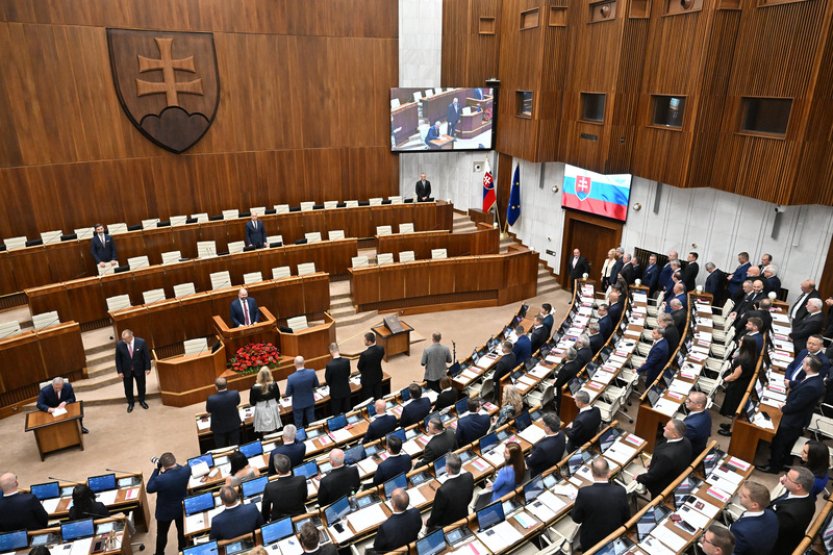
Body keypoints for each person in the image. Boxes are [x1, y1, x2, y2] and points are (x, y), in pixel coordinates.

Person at [758, 355, 825, 473]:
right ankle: (784, 461)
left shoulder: (812, 387)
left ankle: (774, 467)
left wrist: (784, 408)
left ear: (808, 367)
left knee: (780, 442)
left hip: (794, 420)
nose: (802, 364)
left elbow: (798, 404)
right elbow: (802, 384)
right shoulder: (815, 378)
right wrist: (791, 384)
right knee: (786, 442)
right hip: (798, 417)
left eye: (804, 363)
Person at [571, 458, 629, 551]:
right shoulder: (620, 491)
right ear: (609, 472)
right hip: (615, 537)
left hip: (591, 542)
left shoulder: (584, 492)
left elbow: (576, 519)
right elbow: (626, 517)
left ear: (592, 473)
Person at [146, 452, 191, 555]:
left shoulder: (160, 479)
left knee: (162, 534)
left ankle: (159, 553)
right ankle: (182, 550)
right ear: (174, 460)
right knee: (181, 531)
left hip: (165, 512)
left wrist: (156, 469)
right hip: (181, 508)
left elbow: (149, 488)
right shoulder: (186, 470)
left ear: (163, 465)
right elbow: (178, 469)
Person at [635, 419, 692, 498]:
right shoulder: (686, 440)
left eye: (667, 429)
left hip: (661, 486)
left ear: (674, 435)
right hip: (673, 472)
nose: (664, 428)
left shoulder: (666, 456)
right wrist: (655, 463)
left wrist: (638, 477)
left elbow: (653, 476)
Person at [768, 467, 817, 554]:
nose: (784, 478)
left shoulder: (789, 514)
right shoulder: (807, 496)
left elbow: (770, 532)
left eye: (788, 478)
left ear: (798, 486)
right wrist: (786, 483)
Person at [426, 452, 473, 529]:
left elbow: (436, 514)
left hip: (447, 523)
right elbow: (469, 498)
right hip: (463, 514)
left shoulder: (442, 491)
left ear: (448, 469)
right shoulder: (469, 476)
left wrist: (428, 522)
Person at [729, 481, 778, 555]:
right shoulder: (772, 514)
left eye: (744, 496)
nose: (739, 495)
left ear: (754, 505)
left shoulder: (740, 530)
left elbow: (732, 552)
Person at [261, 454, 307, 520]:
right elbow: (304, 497)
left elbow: (265, 507)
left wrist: (265, 520)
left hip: (280, 519)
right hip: (300, 513)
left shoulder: (270, 487)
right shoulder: (301, 479)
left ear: (276, 470)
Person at [115, 329, 151, 412]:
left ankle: (142, 400)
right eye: (123, 339)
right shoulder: (120, 345)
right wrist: (119, 371)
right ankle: (131, 403)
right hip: (126, 370)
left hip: (139, 369)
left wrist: (147, 368)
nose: (124, 341)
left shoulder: (141, 342)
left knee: (141, 386)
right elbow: (118, 359)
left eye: (126, 339)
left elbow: (146, 356)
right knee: (128, 387)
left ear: (131, 336)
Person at [206, 377, 241, 448]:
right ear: (227, 384)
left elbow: (209, 410)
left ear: (216, 387)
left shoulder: (211, 399)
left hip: (219, 428)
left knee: (221, 449)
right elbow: (237, 403)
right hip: (233, 425)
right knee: (235, 446)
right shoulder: (235, 394)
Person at [285, 356, 320, 428]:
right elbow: (316, 385)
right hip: (309, 401)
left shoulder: (291, 378)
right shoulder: (312, 372)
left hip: (298, 404)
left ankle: (301, 438)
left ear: (294, 364)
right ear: (304, 362)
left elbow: (287, 393)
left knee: (299, 425)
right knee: (312, 422)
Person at [526, 412, 565, 477]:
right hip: (553, 463)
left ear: (548, 428)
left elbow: (530, 462)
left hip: (540, 472)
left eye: (544, 425)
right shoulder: (562, 434)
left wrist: (528, 456)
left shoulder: (542, 448)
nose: (543, 426)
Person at [249, 367, 281, 438]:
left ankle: (266, 444)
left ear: (259, 375)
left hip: (261, 409)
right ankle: (276, 442)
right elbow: (277, 397)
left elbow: (252, 402)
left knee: (264, 430)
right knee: (273, 427)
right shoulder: (274, 384)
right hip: (272, 407)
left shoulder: (254, 387)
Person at [324, 343, 352, 415]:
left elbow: (328, 380)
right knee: (348, 413)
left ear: (331, 351)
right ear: (338, 349)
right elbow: (348, 374)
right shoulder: (346, 361)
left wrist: (333, 385)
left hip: (335, 393)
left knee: (336, 413)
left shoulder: (329, 365)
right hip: (346, 390)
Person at [683, 392, 711, 458]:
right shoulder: (706, 413)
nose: (686, 401)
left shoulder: (691, 425)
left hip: (689, 453)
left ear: (699, 405)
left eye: (689, 400)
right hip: (700, 445)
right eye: (687, 398)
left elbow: (680, 441)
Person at [554, 348, 582, 412]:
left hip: (562, 391)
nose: (562, 353)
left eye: (564, 353)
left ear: (566, 356)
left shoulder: (565, 369)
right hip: (570, 384)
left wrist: (554, 382)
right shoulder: (576, 362)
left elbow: (557, 384)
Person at [357, 332, 385, 400]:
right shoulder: (381, 349)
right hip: (378, 375)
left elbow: (359, 366)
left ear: (369, 342)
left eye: (365, 340)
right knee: (378, 396)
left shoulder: (364, 354)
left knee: (369, 399)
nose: (364, 341)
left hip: (367, 380)